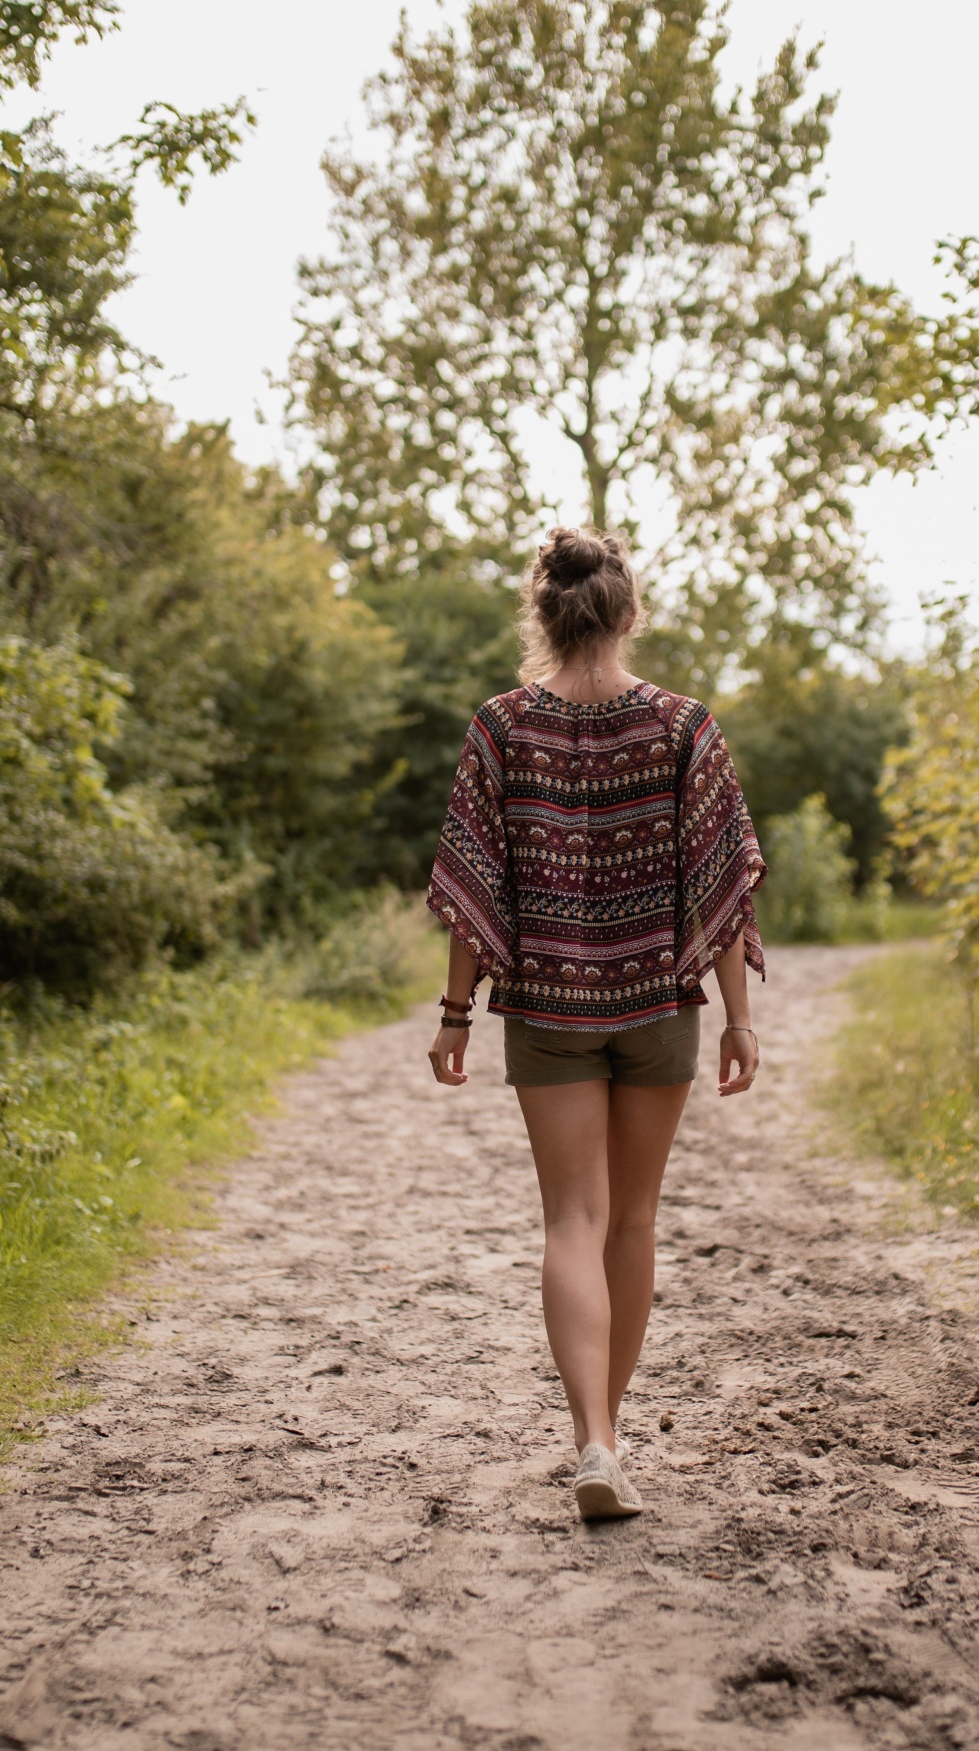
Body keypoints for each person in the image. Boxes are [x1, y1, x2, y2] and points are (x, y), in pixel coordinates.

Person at [424, 526, 766, 1522]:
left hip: (544, 1009)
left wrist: (455, 1014)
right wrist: (739, 1018)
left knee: (571, 1218)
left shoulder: (500, 727)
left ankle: (593, 1440)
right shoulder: (681, 727)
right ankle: (605, 1441)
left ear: (542, 614)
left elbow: (471, 880)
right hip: (657, 1008)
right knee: (631, 1218)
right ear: (626, 612)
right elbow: (720, 883)